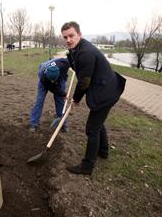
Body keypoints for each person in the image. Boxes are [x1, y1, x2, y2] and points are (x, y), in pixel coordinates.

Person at [61, 21, 126, 175]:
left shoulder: (85, 53)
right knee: (98, 123)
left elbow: (84, 82)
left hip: (106, 92)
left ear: (79, 34)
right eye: (65, 37)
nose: (68, 40)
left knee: (92, 128)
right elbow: (79, 69)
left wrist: (76, 99)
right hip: (106, 87)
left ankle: (87, 166)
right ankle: (103, 151)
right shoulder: (78, 49)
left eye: (71, 35)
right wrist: (70, 56)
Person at [29, 58, 70, 132]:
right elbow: (54, 90)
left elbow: (72, 62)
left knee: (60, 100)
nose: (52, 82)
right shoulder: (43, 78)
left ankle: (62, 123)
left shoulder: (64, 64)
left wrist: (64, 78)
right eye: (51, 80)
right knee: (40, 100)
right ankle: (34, 123)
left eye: (54, 80)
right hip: (45, 81)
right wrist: (64, 94)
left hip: (60, 78)